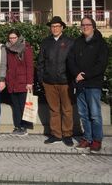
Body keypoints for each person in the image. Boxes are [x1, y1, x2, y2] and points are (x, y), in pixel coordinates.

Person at [68, 17, 109, 153]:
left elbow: (101, 65)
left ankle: (97, 140)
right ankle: (87, 138)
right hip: (80, 84)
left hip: (93, 84)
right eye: (83, 25)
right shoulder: (77, 42)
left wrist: (84, 75)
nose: (85, 27)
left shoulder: (101, 44)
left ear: (94, 26)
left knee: (95, 114)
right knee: (83, 113)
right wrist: (76, 74)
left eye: (88, 25)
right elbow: (71, 60)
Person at [37, 16, 74, 146]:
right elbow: (40, 62)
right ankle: (56, 134)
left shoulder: (70, 42)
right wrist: (41, 79)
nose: (55, 28)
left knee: (67, 109)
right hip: (49, 81)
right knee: (53, 109)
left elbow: (73, 63)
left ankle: (67, 134)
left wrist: (73, 79)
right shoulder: (46, 42)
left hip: (66, 82)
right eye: (52, 26)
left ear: (62, 27)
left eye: (57, 26)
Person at [5, 29, 34, 136]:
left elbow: (30, 66)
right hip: (12, 82)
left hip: (23, 82)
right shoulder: (7, 48)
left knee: (23, 106)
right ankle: (18, 126)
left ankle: (24, 127)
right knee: (15, 106)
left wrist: (29, 82)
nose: (12, 40)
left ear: (18, 37)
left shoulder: (25, 48)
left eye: (14, 38)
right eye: (10, 38)